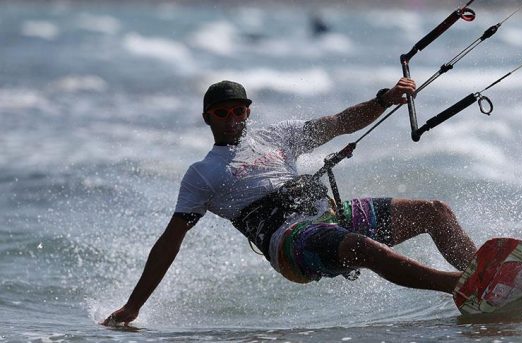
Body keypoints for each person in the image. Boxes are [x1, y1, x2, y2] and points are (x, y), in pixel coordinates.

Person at [102, 77, 477, 326]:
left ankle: (486, 272)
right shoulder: (203, 174)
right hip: (289, 243)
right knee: (362, 247)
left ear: (248, 111)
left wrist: (384, 99)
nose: (232, 118)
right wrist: (134, 306)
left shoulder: (276, 136)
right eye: (221, 113)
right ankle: (463, 286)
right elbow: (170, 242)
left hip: (330, 216)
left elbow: (340, 122)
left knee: (435, 212)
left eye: (239, 110)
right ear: (207, 119)